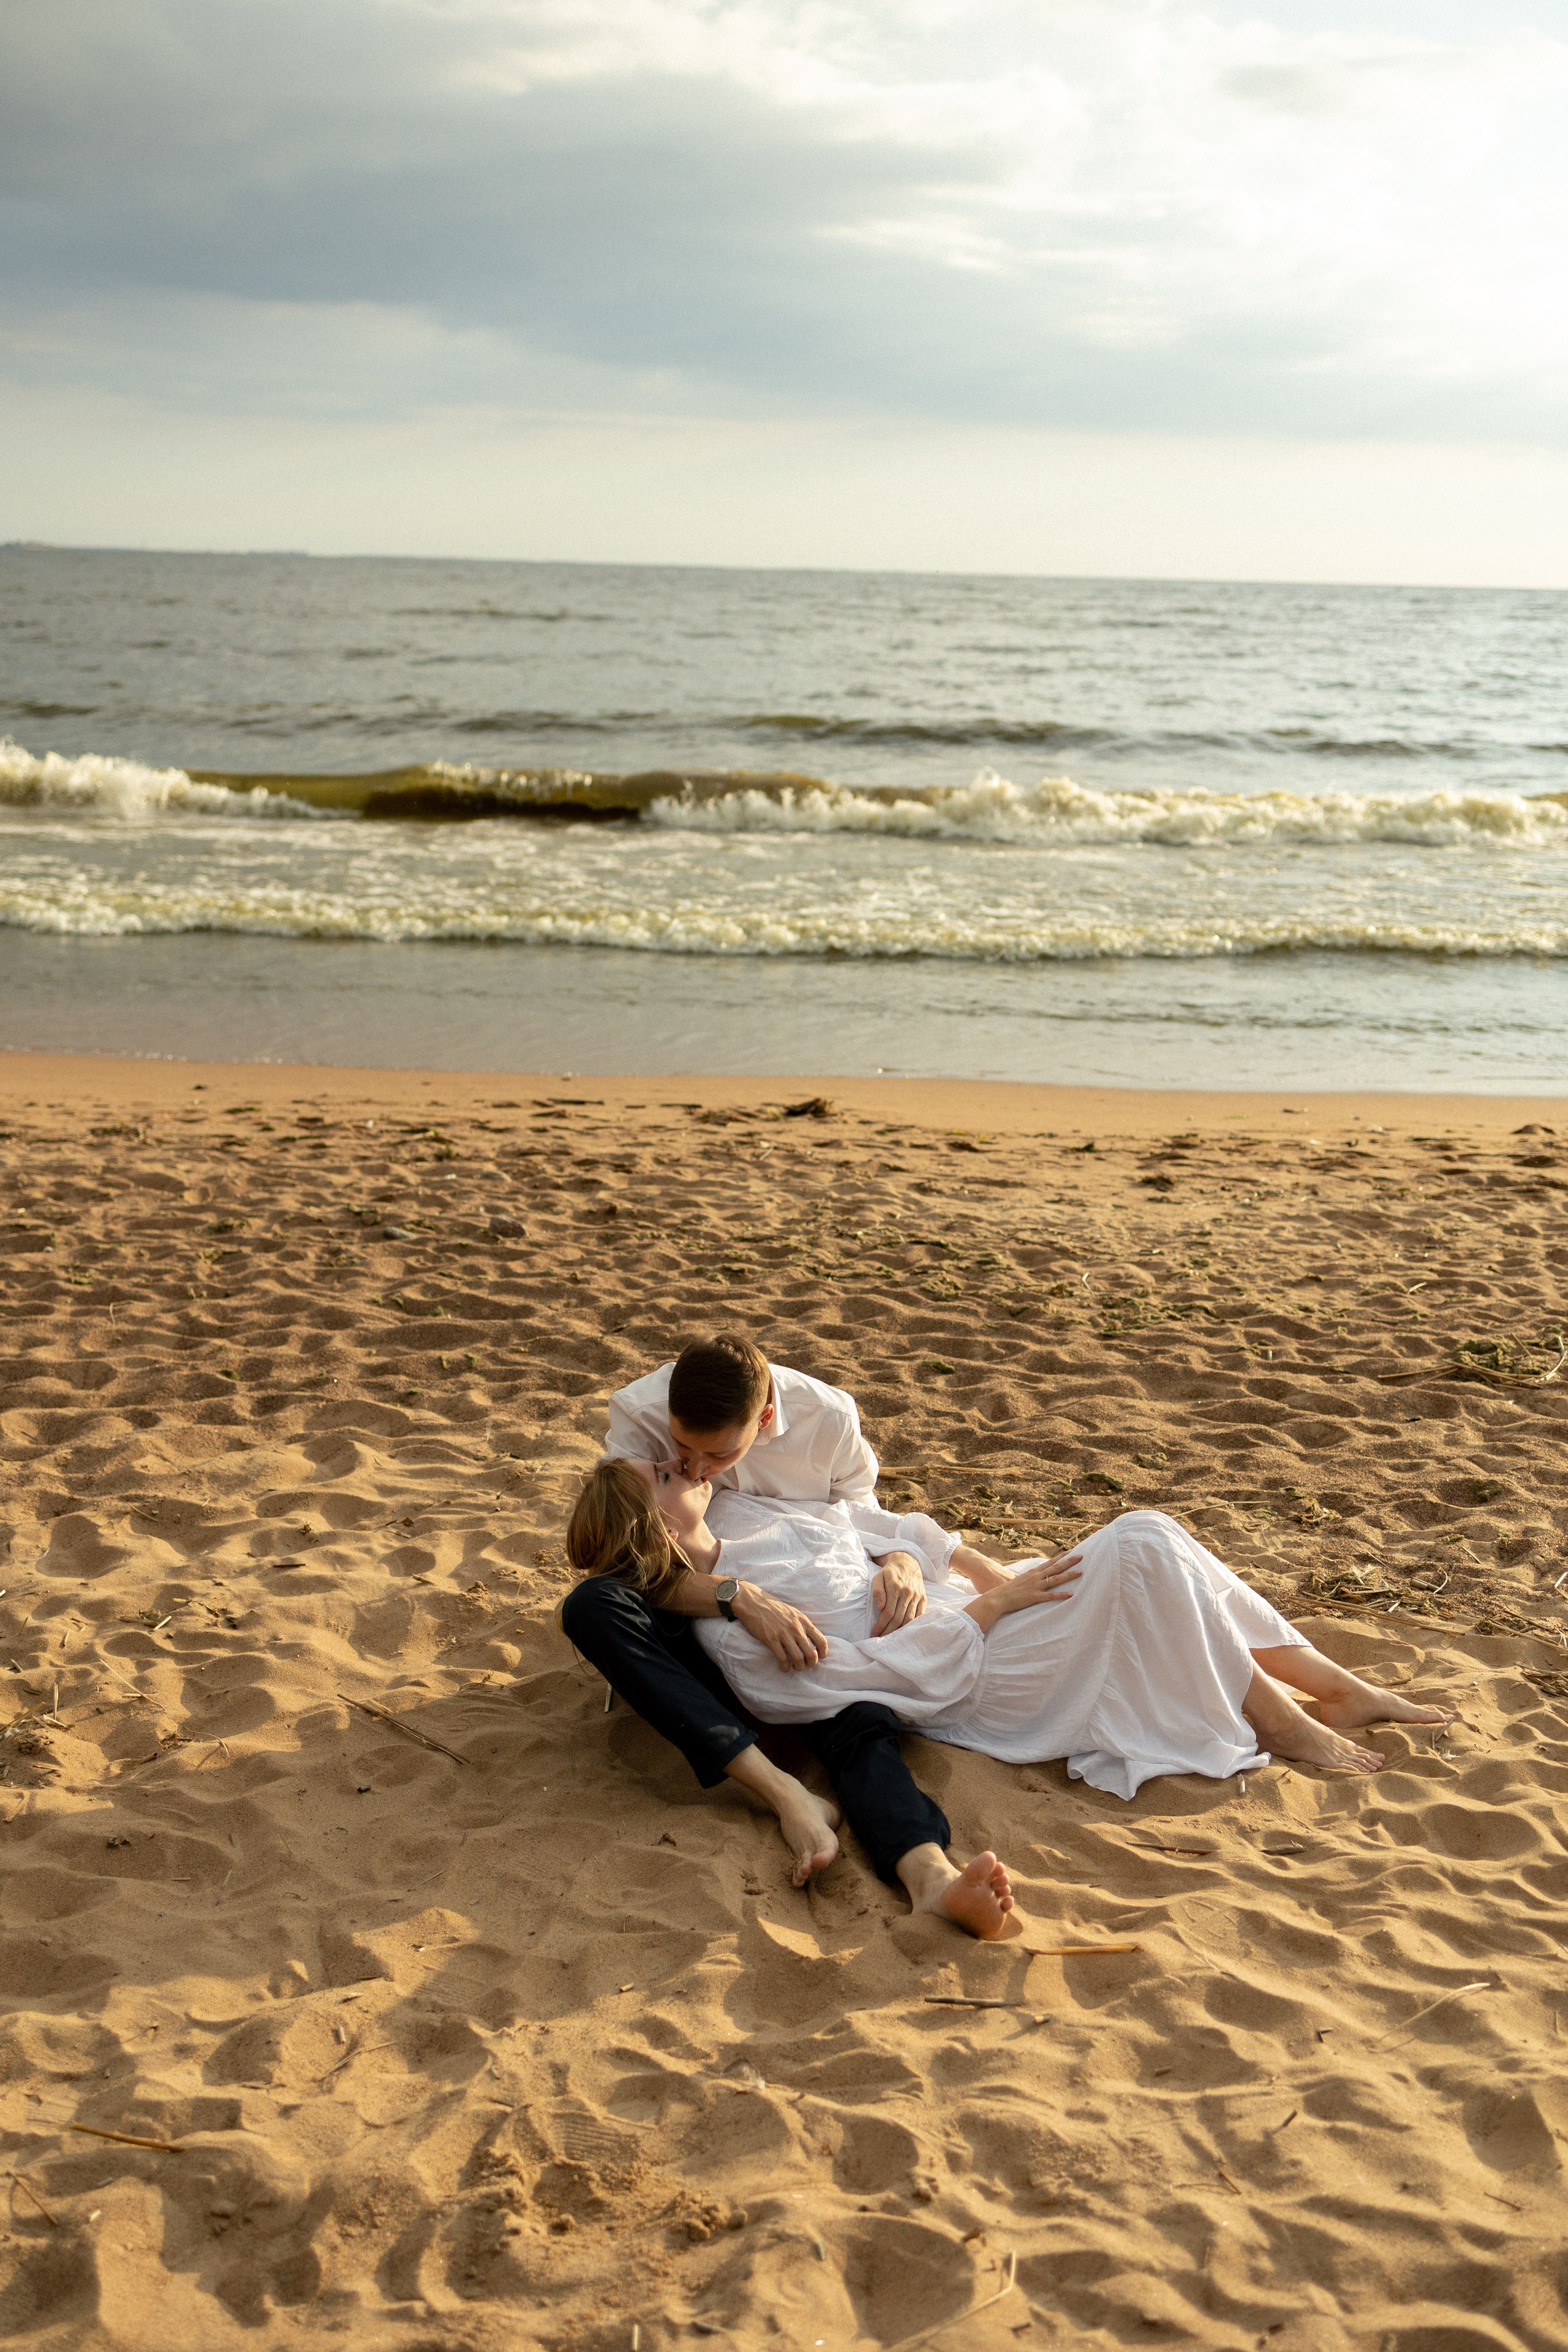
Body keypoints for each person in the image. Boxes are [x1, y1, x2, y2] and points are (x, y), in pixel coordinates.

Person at [573, 1458, 1449, 1797]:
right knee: (1140, 1542)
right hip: (976, 1674)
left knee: (1155, 1538)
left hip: (978, 1617)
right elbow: (848, 1683)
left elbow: (882, 1529)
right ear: (654, 1524)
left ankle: (1334, 1688)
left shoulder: (754, 1512)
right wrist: (989, 1608)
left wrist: (907, 1566)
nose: (678, 1462)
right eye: (661, 1471)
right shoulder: (733, 1631)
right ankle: (1292, 1714)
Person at [562, 1333, 1021, 1937]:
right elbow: (626, 1556)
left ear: (767, 1419)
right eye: (676, 1452)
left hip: (810, 1628)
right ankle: (783, 1792)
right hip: (700, 1621)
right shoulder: (640, 1424)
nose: (694, 1468)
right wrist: (735, 1597)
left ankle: (930, 1876)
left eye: (719, 1457)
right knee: (592, 1606)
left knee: (854, 1718)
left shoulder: (826, 1421)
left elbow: (857, 1518)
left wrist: (899, 1561)